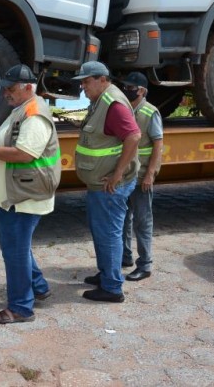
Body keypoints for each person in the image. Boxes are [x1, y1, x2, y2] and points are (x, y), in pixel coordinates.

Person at [0, 64, 61, 324]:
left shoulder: (34, 114)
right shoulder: (22, 109)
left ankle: (20, 308)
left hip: (21, 198)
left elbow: (25, 154)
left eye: (10, 88)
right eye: (4, 88)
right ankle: (38, 288)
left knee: (15, 253)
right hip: (13, 196)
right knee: (18, 248)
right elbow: (16, 150)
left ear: (29, 87)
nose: (5, 92)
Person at [73, 61, 141, 303]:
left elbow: (133, 136)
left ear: (103, 79)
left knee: (108, 234)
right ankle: (106, 276)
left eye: (87, 81)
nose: (83, 86)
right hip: (101, 184)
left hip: (110, 185)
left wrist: (117, 174)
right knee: (103, 232)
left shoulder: (113, 104)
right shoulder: (102, 100)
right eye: (81, 82)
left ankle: (112, 288)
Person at [119, 72, 163, 282]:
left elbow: (158, 145)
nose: (127, 90)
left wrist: (150, 174)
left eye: (131, 87)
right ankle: (125, 257)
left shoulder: (149, 112)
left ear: (142, 90)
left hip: (142, 176)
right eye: (126, 86)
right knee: (124, 218)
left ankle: (145, 265)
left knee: (142, 221)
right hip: (126, 175)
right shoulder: (126, 109)